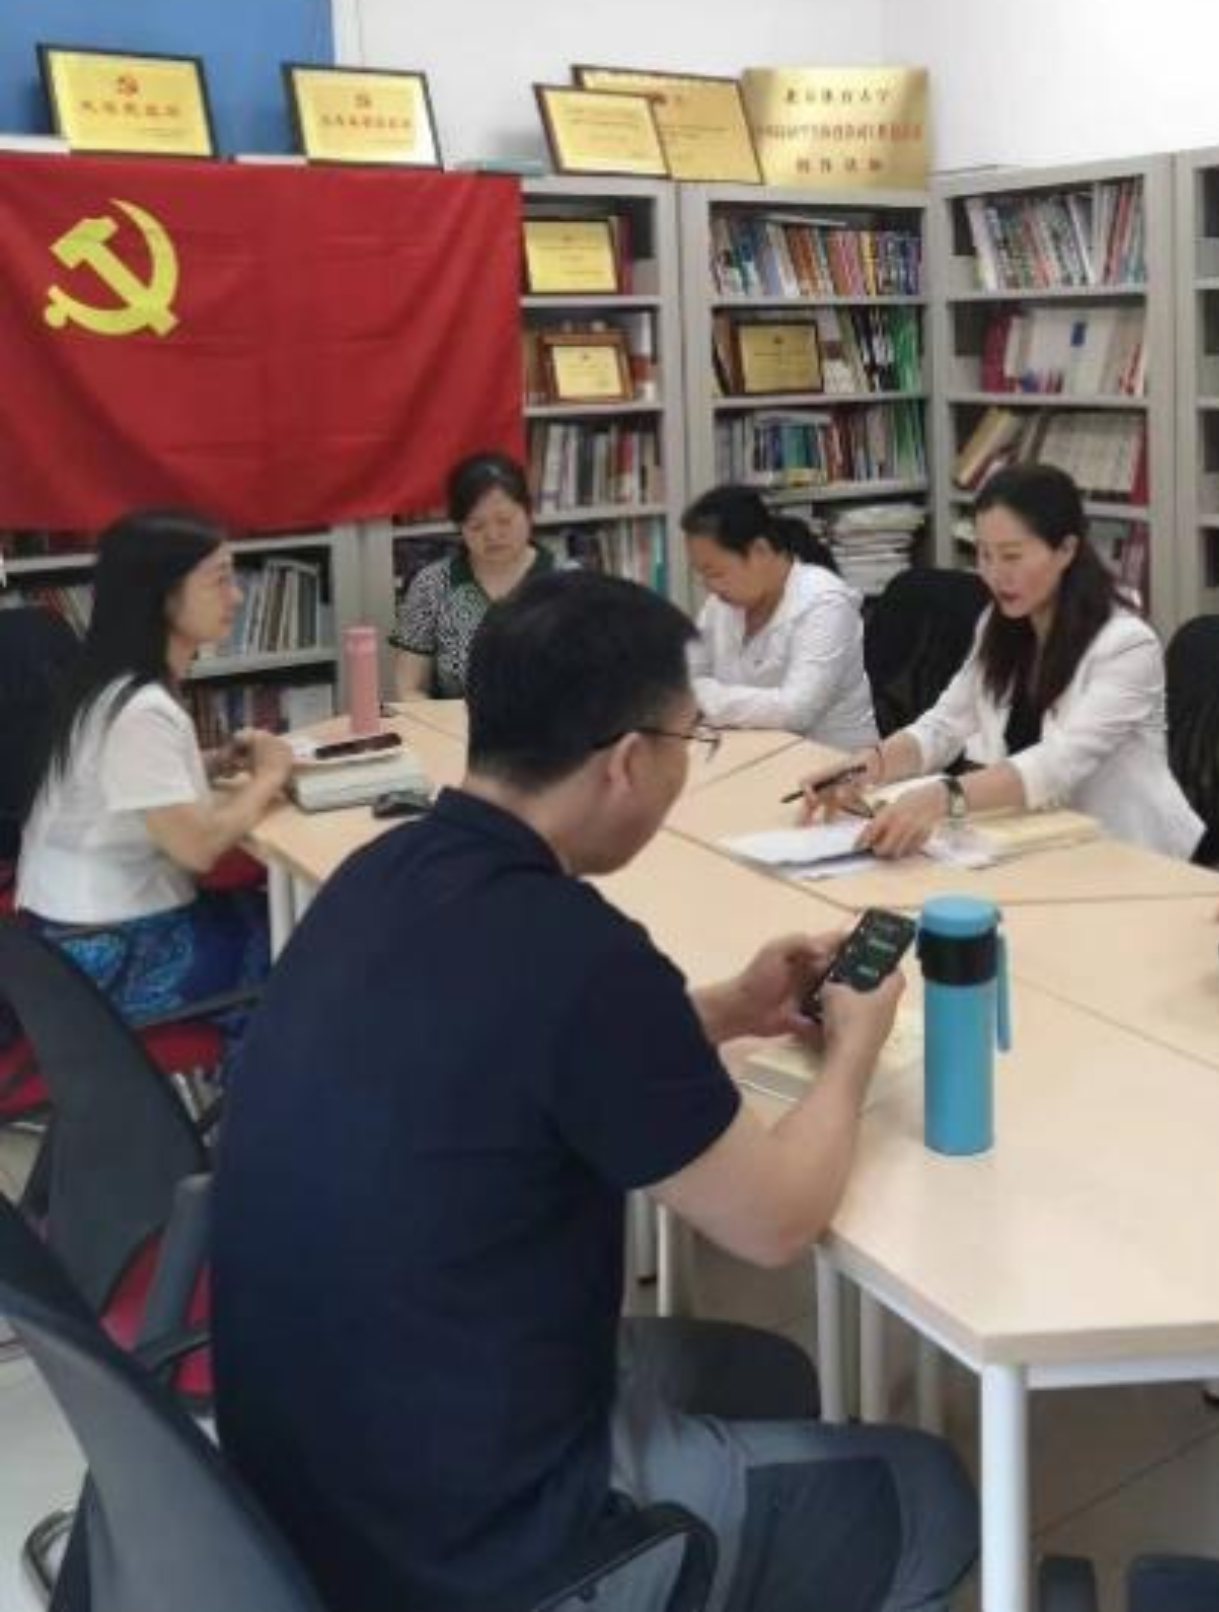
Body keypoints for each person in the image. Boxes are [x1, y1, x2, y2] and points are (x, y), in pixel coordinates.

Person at [211, 571, 976, 1612]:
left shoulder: (382, 870)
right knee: (931, 1488)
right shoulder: (581, 955)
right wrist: (852, 1048)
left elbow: (514, 1053)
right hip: (474, 1540)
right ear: (627, 761)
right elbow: (775, 1221)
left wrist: (730, 1007)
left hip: (303, 1476)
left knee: (766, 1373)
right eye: (690, 741)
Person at [808, 463, 1203, 859]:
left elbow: (1059, 763)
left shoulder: (1127, 646)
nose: (996, 575)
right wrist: (866, 767)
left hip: (1123, 852)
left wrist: (943, 797)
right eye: (984, 554)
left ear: (1066, 550)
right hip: (1026, 839)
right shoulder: (1000, 625)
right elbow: (945, 725)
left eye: (1012, 556)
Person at [13, 510, 289, 1038]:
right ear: (163, 596)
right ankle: (261, 1079)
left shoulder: (107, 682)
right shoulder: (140, 711)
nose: (236, 597)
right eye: (220, 580)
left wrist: (212, 763)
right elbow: (197, 849)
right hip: (102, 953)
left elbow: (118, 784)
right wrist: (269, 777)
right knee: (306, 941)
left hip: (61, 934)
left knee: (279, 910)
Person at [683, 485, 876, 749]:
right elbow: (682, 680)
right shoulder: (722, 604)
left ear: (760, 551)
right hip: (749, 751)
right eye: (701, 574)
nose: (709, 586)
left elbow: (796, 711)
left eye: (716, 573)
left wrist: (705, 697)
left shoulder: (825, 601)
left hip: (832, 761)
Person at [391, 452, 556, 699]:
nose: (493, 535)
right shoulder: (432, 585)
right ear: (460, 527)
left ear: (529, 513)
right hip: (454, 722)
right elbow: (408, 688)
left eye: (504, 521)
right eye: (477, 526)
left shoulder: (568, 582)